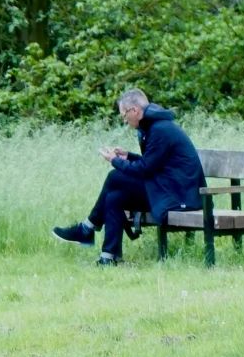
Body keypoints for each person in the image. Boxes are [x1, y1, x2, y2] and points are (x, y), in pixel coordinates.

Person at [54, 88, 207, 265]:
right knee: (115, 197)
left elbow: (145, 170)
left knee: (114, 176)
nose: (125, 121)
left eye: (124, 115)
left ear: (134, 110)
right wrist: (129, 156)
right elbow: (153, 163)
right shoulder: (153, 126)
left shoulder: (160, 129)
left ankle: (87, 228)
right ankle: (108, 257)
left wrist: (114, 161)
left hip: (179, 195)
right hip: (167, 188)